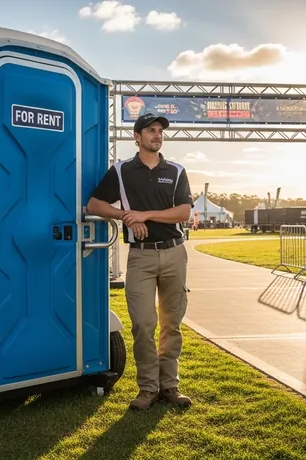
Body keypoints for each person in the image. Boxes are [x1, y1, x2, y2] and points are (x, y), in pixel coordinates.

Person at [86, 112, 194, 411]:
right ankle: (148, 389)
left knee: (171, 324)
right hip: (141, 257)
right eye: (150, 130)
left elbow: (184, 212)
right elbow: (94, 204)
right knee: (144, 325)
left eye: (160, 131)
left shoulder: (175, 170)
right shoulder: (121, 171)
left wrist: (145, 215)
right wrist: (126, 217)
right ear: (137, 136)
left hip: (174, 253)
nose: (157, 135)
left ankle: (170, 387)